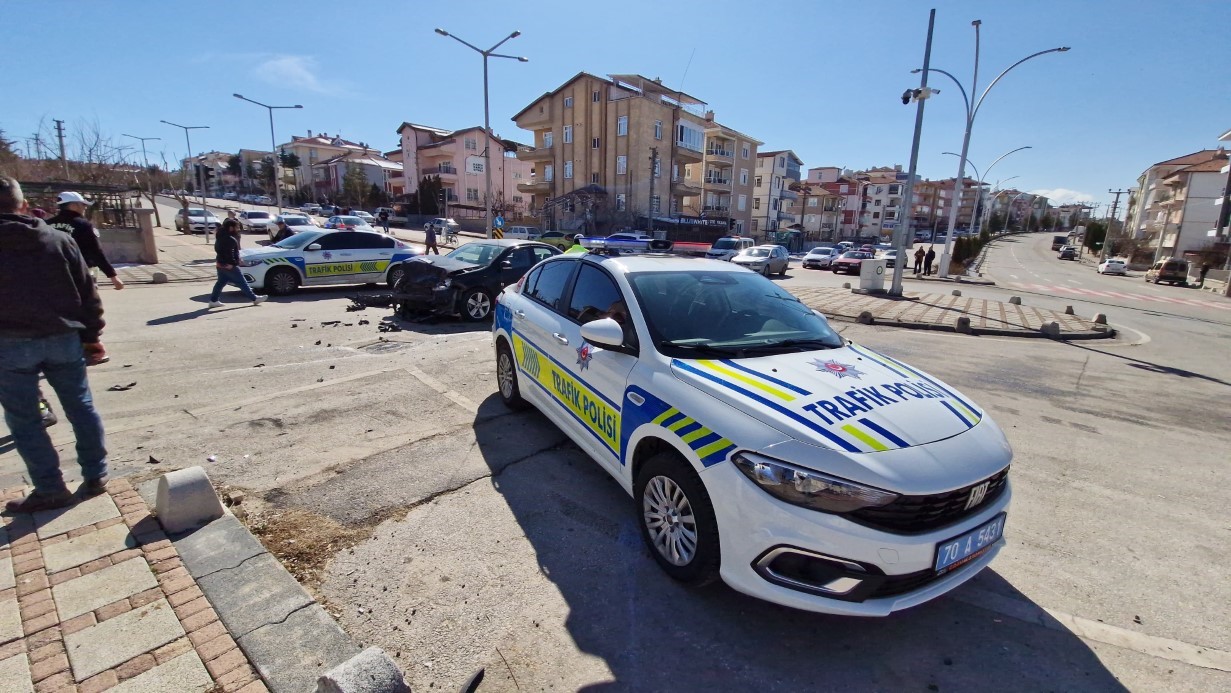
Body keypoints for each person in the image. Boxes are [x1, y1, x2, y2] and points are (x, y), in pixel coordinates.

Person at [0, 177, 110, 512]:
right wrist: (92, 337)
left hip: (10, 344)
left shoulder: (60, 236)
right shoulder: (59, 239)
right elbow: (87, 292)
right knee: (81, 406)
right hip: (64, 338)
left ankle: (50, 489)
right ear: (22, 205)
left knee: (25, 420)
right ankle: (96, 476)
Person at [47, 192, 124, 291]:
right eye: (83, 204)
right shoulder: (83, 225)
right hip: (79, 274)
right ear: (73, 205)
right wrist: (113, 276)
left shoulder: (46, 224)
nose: (85, 208)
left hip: (52, 275)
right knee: (86, 305)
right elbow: (96, 251)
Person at [209, 218, 267, 308]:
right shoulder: (230, 239)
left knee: (220, 283)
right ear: (231, 228)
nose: (238, 229)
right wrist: (234, 263)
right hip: (229, 265)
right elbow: (230, 254)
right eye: (236, 227)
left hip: (220, 264)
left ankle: (213, 300)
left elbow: (220, 251)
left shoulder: (219, 236)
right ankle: (254, 298)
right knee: (242, 282)